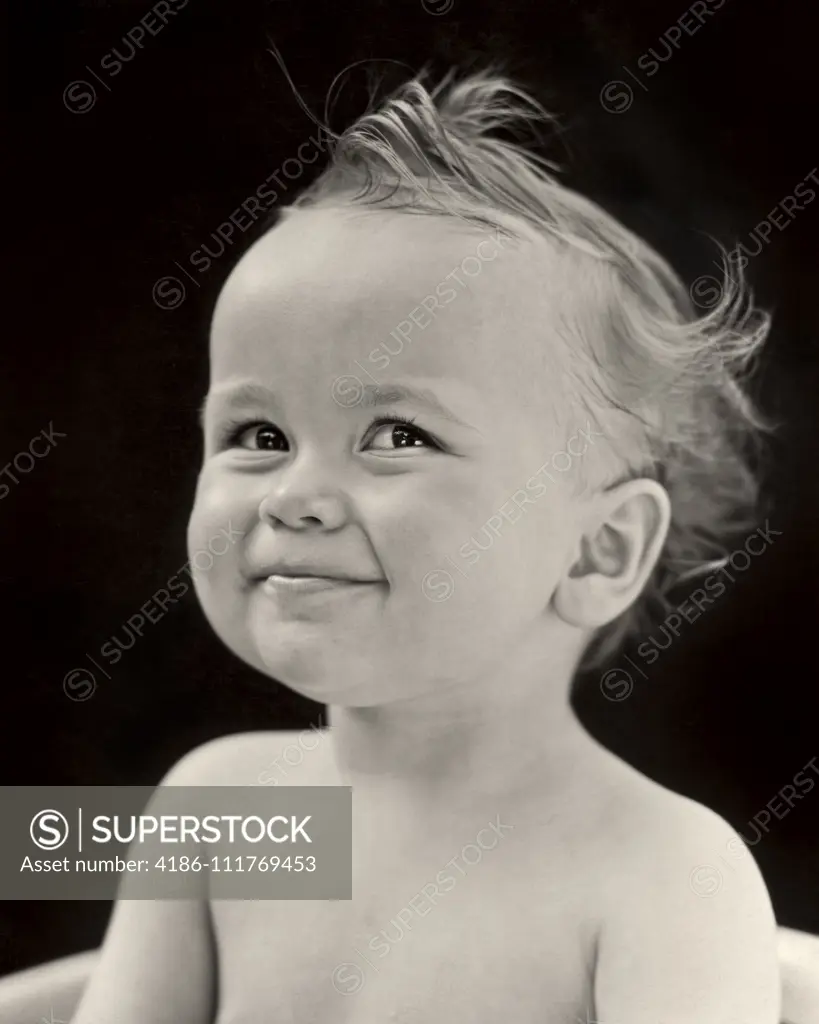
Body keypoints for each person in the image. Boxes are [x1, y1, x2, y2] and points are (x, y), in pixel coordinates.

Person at [73, 68, 782, 1023]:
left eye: (398, 436)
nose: (294, 495)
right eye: (258, 436)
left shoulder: (660, 878)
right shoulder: (217, 812)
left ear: (597, 552)